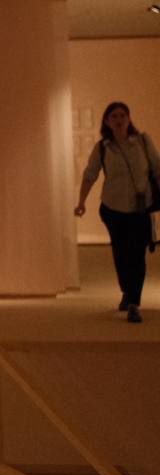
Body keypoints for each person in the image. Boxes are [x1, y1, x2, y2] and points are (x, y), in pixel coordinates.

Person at [75, 101, 160, 324]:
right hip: (113, 209)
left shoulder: (143, 141)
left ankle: (134, 303)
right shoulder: (103, 148)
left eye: (123, 115)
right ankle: (127, 290)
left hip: (140, 208)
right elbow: (90, 174)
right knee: (121, 254)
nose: (119, 120)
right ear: (107, 121)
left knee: (137, 254)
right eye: (114, 116)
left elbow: (157, 168)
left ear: (129, 118)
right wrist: (81, 201)